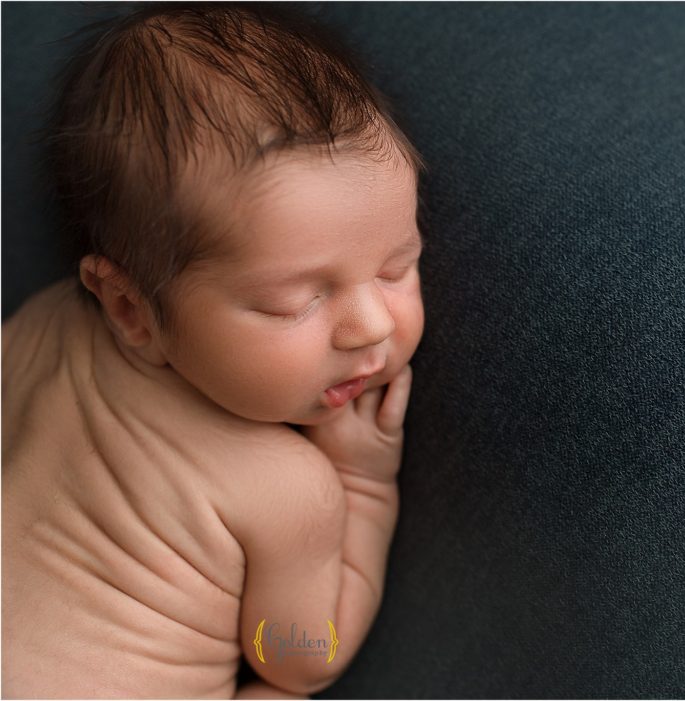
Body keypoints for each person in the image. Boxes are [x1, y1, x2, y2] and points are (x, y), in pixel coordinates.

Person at [1, 3, 425, 697]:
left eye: (397, 265)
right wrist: (364, 484)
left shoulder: (39, 325)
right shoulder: (289, 489)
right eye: (296, 302)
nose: (372, 326)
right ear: (130, 307)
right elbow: (296, 653)